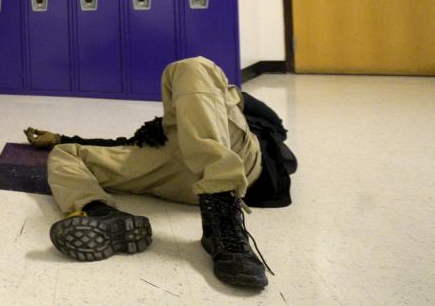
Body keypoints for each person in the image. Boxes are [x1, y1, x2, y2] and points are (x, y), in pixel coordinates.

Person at [24, 57, 296, 289]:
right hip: (173, 161)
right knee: (66, 153)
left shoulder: (235, 108)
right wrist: (61, 138)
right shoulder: (173, 120)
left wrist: (234, 105)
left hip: (234, 160)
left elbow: (278, 128)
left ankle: (221, 214)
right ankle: (102, 213)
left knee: (192, 66)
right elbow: (120, 144)